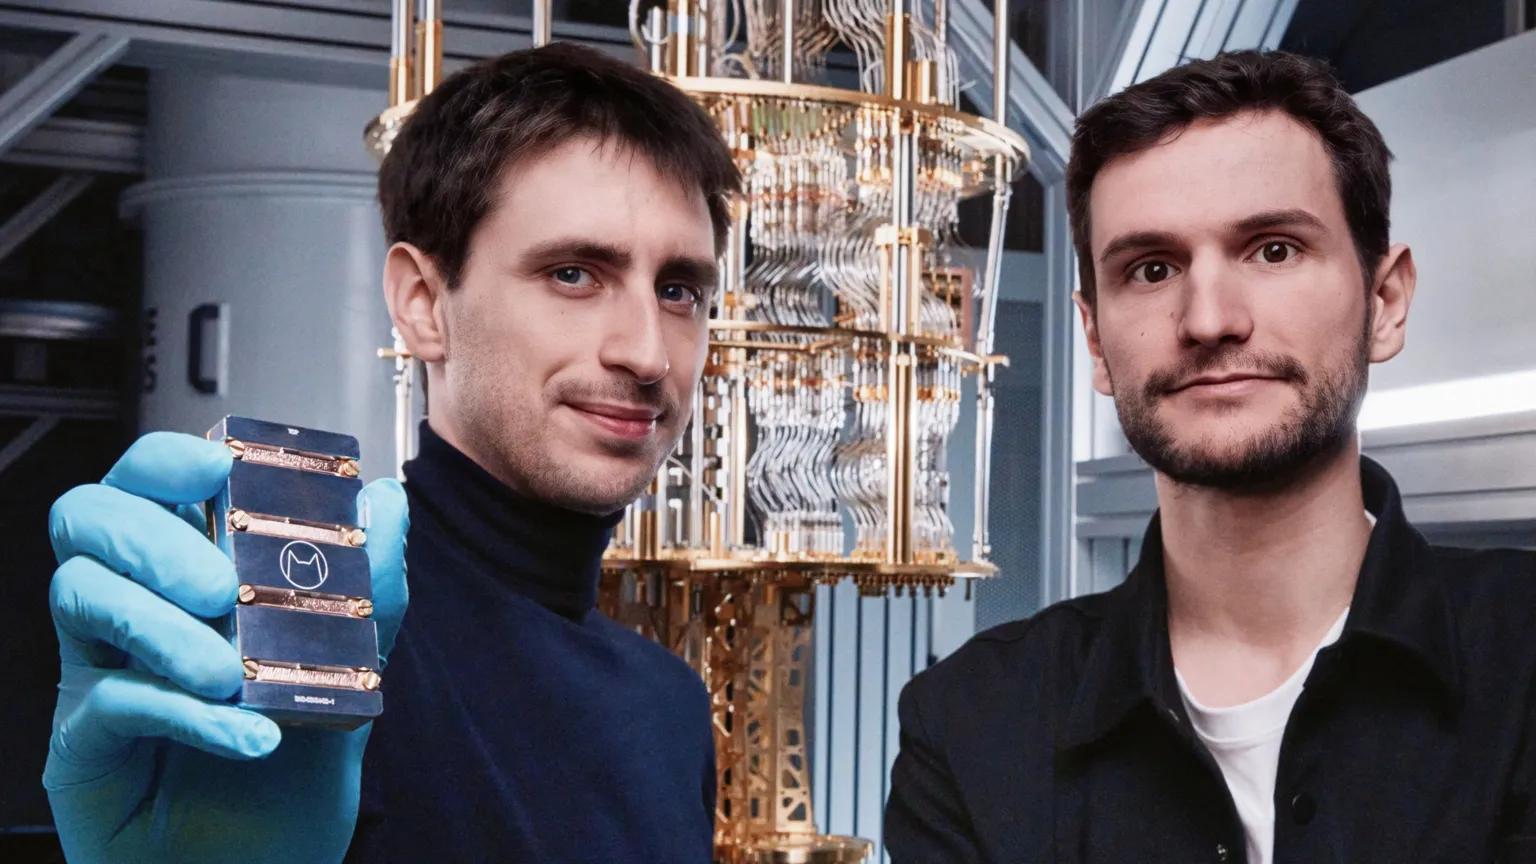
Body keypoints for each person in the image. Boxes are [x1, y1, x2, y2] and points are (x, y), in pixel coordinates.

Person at [43, 42, 739, 863]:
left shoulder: (669, 707)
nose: (649, 354)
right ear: (421, 304)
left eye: (679, 290)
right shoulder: (279, 633)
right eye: (574, 274)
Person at [884, 50, 1536, 864]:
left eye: (1273, 250)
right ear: (1094, 337)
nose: (1210, 319)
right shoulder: (971, 726)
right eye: (1152, 269)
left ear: (1385, 302)